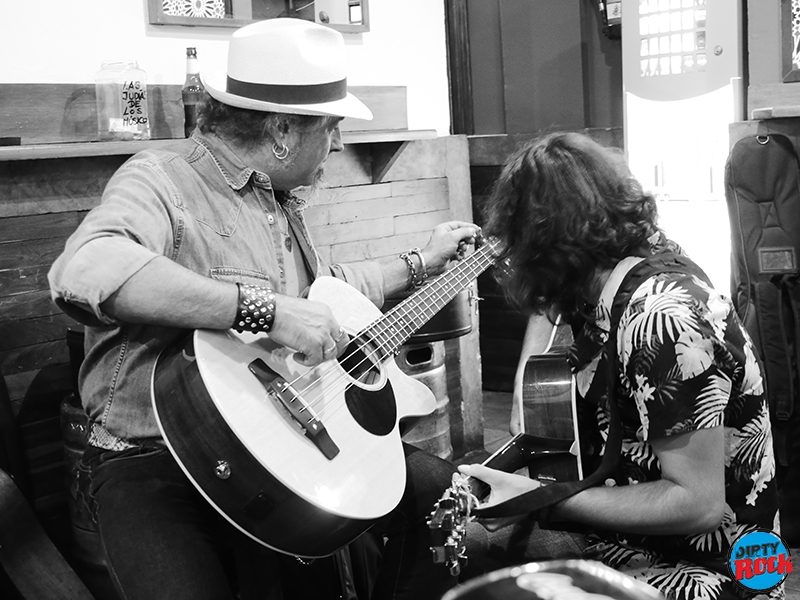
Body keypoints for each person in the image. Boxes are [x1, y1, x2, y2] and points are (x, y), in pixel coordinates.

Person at [48, 18, 479, 600]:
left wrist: (422, 260)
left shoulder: (280, 205)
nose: (340, 144)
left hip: (276, 448)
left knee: (442, 499)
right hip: (150, 462)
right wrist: (262, 312)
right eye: (331, 129)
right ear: (281, 129)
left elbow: (326, 292)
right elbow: (84, 270)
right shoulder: (162, 180)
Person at [457, 131, 783, 600]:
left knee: (476, 556)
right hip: (643, 543)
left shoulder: (662, 317)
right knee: (468, 537)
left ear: (546, 247)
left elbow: (698, 505)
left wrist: (546, 501)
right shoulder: (627, 267)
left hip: (709, 570)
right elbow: (549, 318)